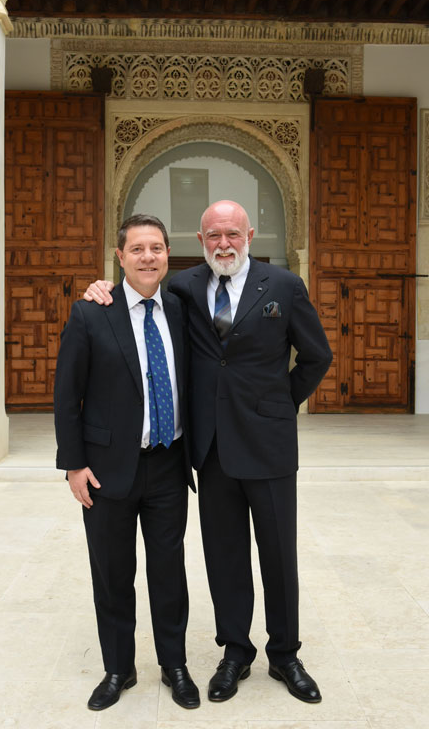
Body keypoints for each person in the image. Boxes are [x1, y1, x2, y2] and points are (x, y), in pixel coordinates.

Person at [85, 200, 332, 704]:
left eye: (233, 234)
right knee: (224, 557)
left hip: (269, 448)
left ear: (249, 235)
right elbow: (137, 302)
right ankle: (235, 651)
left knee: (279, 557)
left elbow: (316, 355)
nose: (224, 243)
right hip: (212, 450)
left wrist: (279, 404)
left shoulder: (282, 287)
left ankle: (284, 653)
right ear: (200, 242)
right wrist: (98, 289)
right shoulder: (184, 288)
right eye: (214, 235)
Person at [55, 214, 200, 711]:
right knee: (112, 574)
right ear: (119, 257)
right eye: (136, 249)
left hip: (168, 464)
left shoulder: (183, 307)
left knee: (168, 571)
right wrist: (73, 465)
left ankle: (174, 664)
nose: (147, 257)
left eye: (156, 248)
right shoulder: (91, 312)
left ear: (167, 255)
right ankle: (119, 668)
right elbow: (66, 395)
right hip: (106, 468)